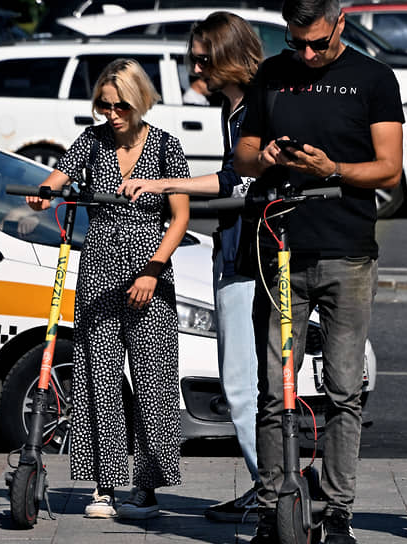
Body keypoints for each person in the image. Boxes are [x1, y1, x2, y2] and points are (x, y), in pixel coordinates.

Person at [233, 1, 404, 542]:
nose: (307, 54)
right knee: (272, 389)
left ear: (340, 27)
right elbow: (242, 154)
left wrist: (332, 169)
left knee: (343, 388)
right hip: (278, 246)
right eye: (296, 43)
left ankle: (336, 513)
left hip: (346, 250)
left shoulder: (373, 78)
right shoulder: (272, 75)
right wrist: (268, 160)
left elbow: (390, 168)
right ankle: (272, 508)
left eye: (318, 44)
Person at [25, 58, 190, 521]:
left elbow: (179, 217)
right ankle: (104, 485)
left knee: (154, 379)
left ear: (139, 102)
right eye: (104, 104)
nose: (111, 113)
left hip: (149, 272)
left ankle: (148, 484)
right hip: (99, 268)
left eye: (120, 105)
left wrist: (153, 269)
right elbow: (57, 178)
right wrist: (44, 191)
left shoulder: (165, 147)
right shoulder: (91, 142)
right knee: (98, 375)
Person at [117, 11, 264, 523]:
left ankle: (275, 492)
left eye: (202, 60)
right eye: (191, 60)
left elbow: (236, 183)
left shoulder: (255, 107)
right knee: (248, 385)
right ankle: (273, 484)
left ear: (228, 56)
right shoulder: (236, 108)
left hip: (252, 261)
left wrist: (162, 185)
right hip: (241, 256)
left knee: (243, 388)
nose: (192, 71)